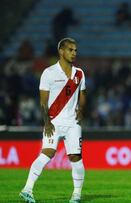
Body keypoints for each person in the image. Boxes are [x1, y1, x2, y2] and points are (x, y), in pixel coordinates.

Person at [19, 38, 86, 203]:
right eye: (70, 50)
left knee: (76, 157)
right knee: (47, 153)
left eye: (75, 50)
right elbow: (43, 101)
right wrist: (46, 122)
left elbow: (83, 95)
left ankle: (76, 195)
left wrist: (81, 110)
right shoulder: (49, 73)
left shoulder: (79, 73)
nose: (74, 53)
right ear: (61, 51)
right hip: (54, 121)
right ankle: (27, 189)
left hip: (72, 123)